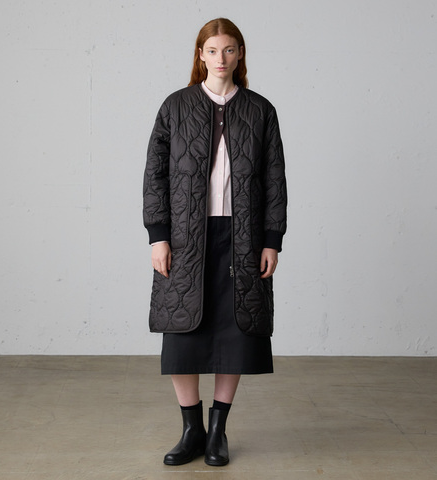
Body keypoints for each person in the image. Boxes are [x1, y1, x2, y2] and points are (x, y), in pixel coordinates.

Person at [143, 18, 287, 467]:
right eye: (212, 50)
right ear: (200, 55)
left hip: (242, 237)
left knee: (235, 334)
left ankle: (218, 430)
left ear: (239, 54)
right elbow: (154, 176)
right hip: (186, 238)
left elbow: (274, 180)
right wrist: (159, 236)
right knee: (182, 333)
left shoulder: (260, 110)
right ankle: (192, 430)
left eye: (228, 49)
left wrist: (271, 240)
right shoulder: (175, 106)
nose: (220, 58)